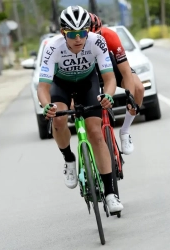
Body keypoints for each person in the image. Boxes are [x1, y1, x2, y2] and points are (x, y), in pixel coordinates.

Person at [37, 6, 123, 213]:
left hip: (87, 83)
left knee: (95, 132)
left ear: (88, 32)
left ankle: (111, 194)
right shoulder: (52, 47)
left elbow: (109, 78)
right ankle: (68, 159)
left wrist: (108, 95)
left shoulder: (97, 41)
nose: (78, 39)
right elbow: (43, 87)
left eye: (82, 33)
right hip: (61, 84)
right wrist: (47, 105)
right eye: (72, 34)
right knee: (58, 120)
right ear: (62, 33)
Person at [89, 13, 145, 155]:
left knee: (138, 88)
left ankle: (125, 131)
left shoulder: (110, 36)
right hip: (88, 69)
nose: (96, 39)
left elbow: (126, 72)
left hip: (110, 64)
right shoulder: (75, 42)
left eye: (98, 34)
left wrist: (130, 97)